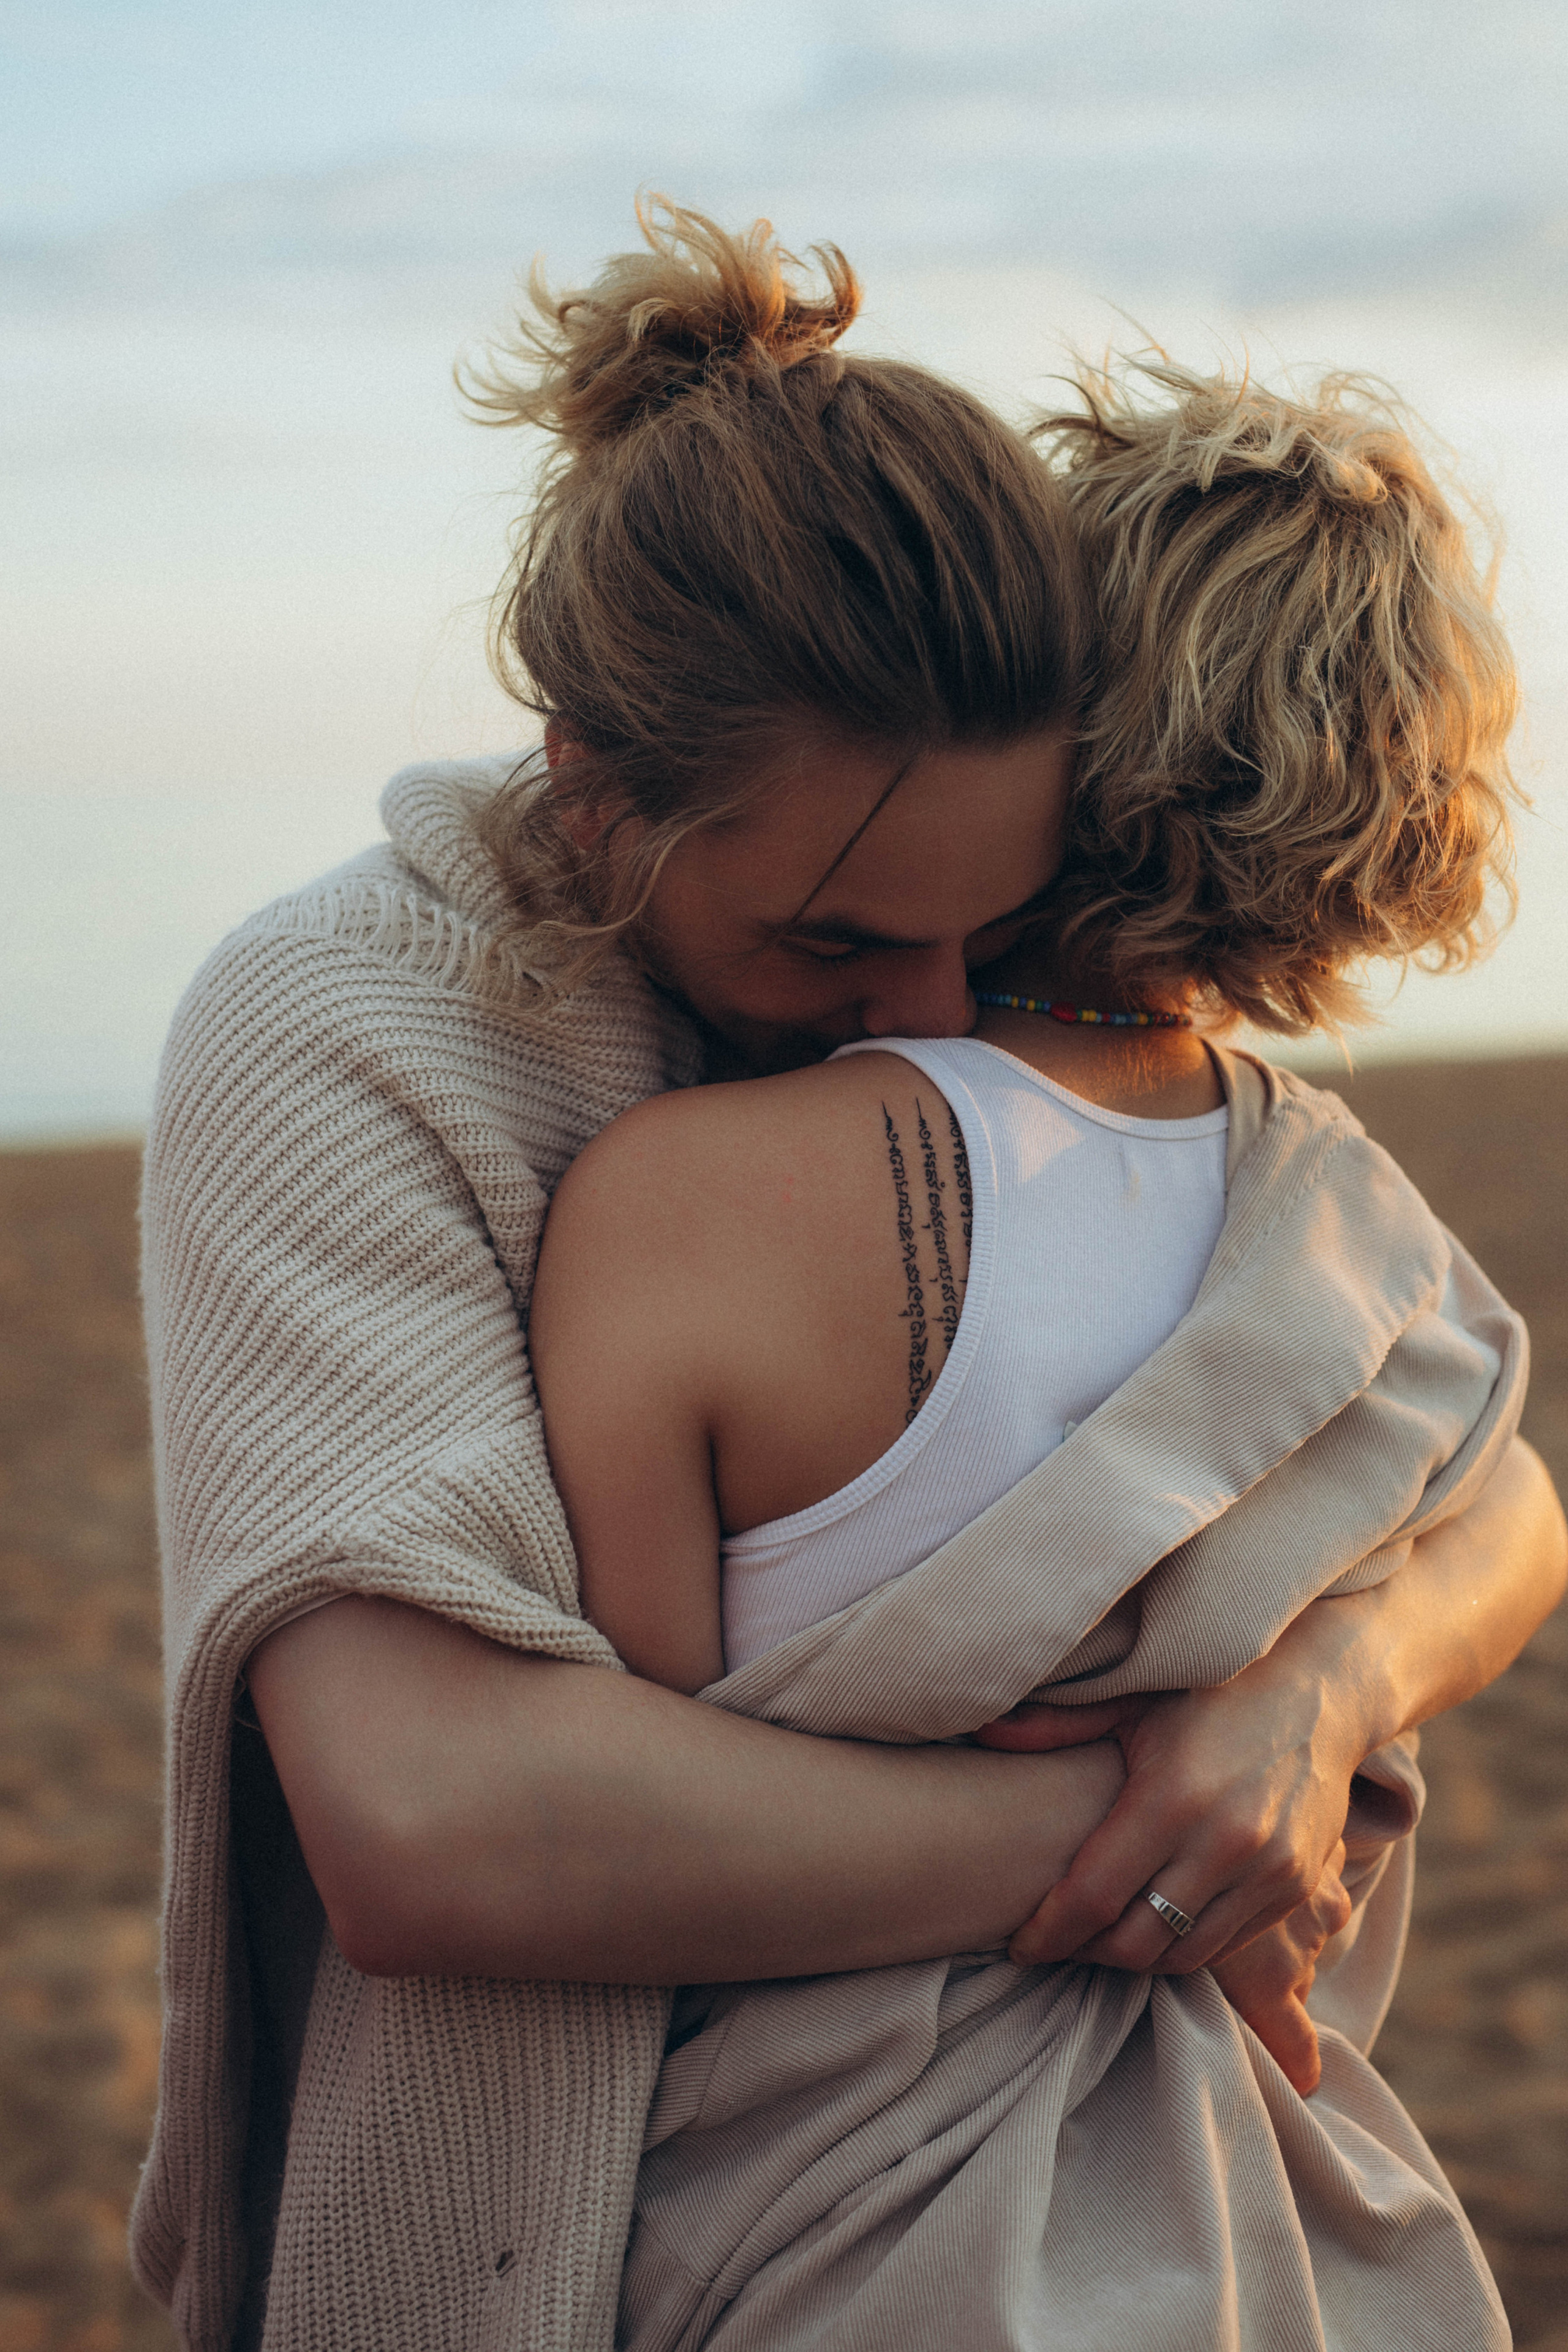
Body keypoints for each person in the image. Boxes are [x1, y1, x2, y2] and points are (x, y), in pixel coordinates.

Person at [130, 204, 1566, 2352]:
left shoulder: (914, 968)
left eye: (982, 934)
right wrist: (1142, 1824)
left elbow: (1494, 1477)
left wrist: (1317, 1697)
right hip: (548, 2227)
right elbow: (437, 1823)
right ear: (593, 797)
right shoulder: (334, 1036)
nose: (926, 1008)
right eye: (835, 943)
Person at [526, 356, 1535, 2348]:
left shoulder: (679, 1201)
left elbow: (624, 1834)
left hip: (821, 2238)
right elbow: (1517, 1505)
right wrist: (1327, 1685)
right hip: (1288, 2227)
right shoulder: (1365, 1233)